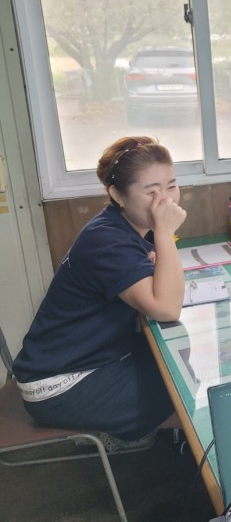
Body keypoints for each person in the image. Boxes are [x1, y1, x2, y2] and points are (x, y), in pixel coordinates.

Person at [13, 136, 188, 451]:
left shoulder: (122, 227)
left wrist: (160, 246)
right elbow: (166, 307)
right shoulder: (105, 240)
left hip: (94, 357)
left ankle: (138, 428)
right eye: (151, 191)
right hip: (59, 383)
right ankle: (149, 436)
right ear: (118, 194)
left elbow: (161, 284)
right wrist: (165, 233)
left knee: (182, 361)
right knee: (186, 388)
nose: (165, 200)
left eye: (171, 186)